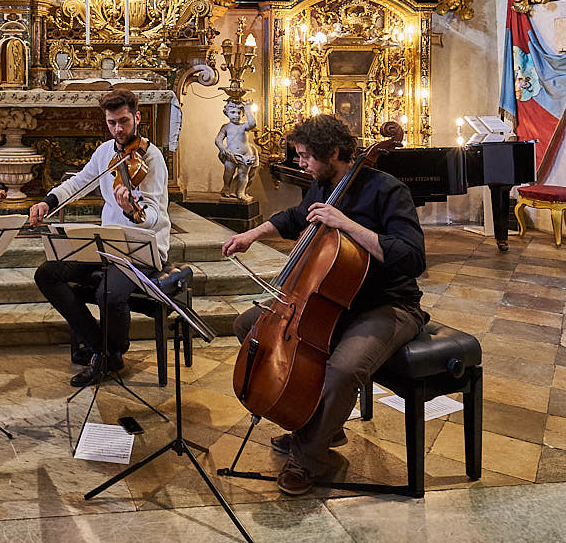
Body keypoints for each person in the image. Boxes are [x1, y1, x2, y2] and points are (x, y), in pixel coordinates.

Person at [220, 114, 426, 496]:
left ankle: (311, 457)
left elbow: (413, 257)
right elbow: (295, 218)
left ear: (334, 152)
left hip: (387, 305)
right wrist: (251, 234)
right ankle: (317, 424)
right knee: (249, 327)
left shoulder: (387, 190)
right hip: (330, 302)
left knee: (344, 369)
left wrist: (347, 224)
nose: (300, 163)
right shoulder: (323, 184)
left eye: (305, 156)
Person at [27, 89, 171, 387]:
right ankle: (105, 350)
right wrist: (48, 203)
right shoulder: (106, 151)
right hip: (105, 243)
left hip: (140, 247)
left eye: (124, 121)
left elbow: (155, 212)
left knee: (110, 292)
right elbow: (79, 182)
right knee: (47, 274)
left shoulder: (152, 158)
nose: (118, 129)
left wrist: (134, 212)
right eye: (111, 122)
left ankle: (107, 354)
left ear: (137, 117)